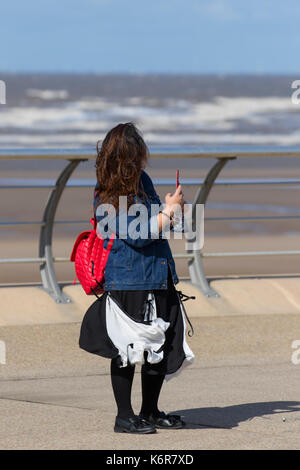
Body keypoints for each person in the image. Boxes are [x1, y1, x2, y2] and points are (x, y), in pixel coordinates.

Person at [79, 122, 194, 434]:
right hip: (128, 279)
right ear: (128, 159)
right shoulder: (108, 192)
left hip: (157, 275)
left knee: (159, 345)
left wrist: (174, 209)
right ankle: (124, 416)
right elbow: (139, 234)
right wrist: (167, 212)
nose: (144, 160)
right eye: (139, 155)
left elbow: (161, 224)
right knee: (127, 348)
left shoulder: (142, 181)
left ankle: (150, 411)